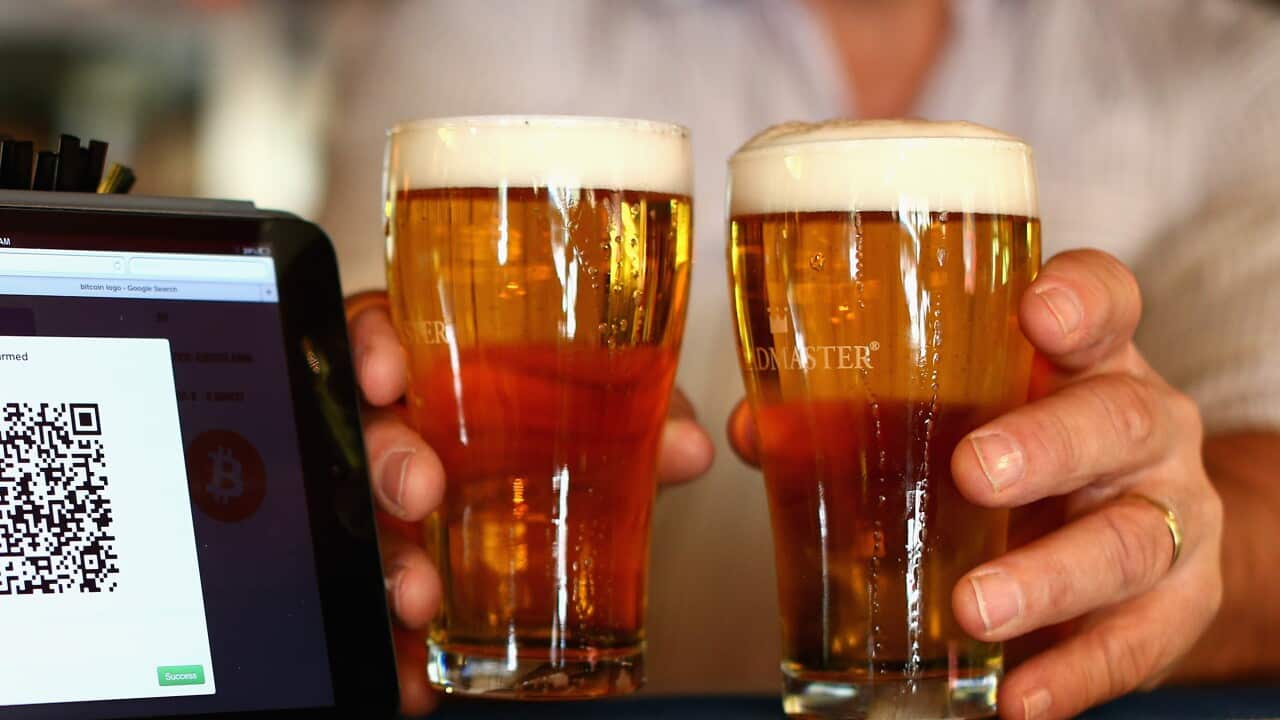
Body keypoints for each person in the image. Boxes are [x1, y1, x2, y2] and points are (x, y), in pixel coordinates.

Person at [322, 1, 1280, 717]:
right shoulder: (478, 24)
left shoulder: (1223, 61)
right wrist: (358, 452)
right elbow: (373, 377)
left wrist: (1181, 549)